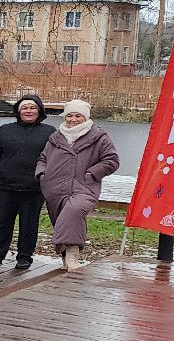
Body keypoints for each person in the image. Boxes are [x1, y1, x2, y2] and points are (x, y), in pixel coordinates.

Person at [39, 99, 119, 272]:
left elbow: (112, 161)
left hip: (84, 186)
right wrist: (42, 175)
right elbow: (43, 159)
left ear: (86, 117)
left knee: (73, 211)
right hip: (55, 187)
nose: (73, 119)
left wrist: (92, 173)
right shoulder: (55, 137)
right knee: (61, 220)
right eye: (69, 115)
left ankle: (73, 254)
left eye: (78, 116)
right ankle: (65, 257)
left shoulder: (99, 137)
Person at [0, 93, 55, 270]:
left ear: (39, 111)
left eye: (32, 107)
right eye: (25, 107)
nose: (28, 111)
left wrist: (44, 176)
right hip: (6, 185)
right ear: (18, 110)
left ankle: (24, 257)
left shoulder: (49, 132)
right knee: (2, 221)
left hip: (34, 188)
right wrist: (1, 169)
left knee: (29, 223)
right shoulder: (5, 130)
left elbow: (56, 158)